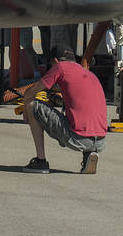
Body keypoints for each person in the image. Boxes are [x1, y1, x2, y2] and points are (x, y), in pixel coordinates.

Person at [20, 46, 107, 174]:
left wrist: (26, 113)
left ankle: (41, 161)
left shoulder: (60, 67)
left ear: (55, 61)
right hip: (100, 140)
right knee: (84, 117)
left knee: (33, 105)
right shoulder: (88, 73)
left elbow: (31, 92)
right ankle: (89, 154)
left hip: (78, 138)